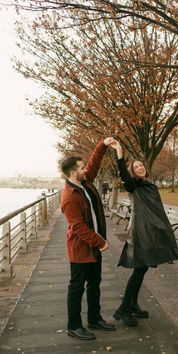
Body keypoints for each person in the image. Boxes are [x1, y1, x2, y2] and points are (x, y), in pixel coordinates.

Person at [110, 139, 178, 326]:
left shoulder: (148, 185)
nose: (140, 168)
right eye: (136, 167)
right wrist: (119, 151)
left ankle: (132, 305)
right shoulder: (135, 185)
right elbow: (124, 175)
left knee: (141, 270)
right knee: (139, 270)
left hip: (150, 232)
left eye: (141, 165)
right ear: (132, 172)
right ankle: (123, 309)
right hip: (142, 233)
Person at [60, 137, 116, 341]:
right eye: (81, 168)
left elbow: (94, 163)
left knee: (95, 284)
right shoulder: (69, 197)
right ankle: (73, 326)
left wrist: (102, 145)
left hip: (94, 247)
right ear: (73, 172)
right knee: (76, 288)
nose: (85, 169)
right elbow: (79, 228)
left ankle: (94, 318)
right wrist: (100, 242)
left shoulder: (85, 182)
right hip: (81, 250)